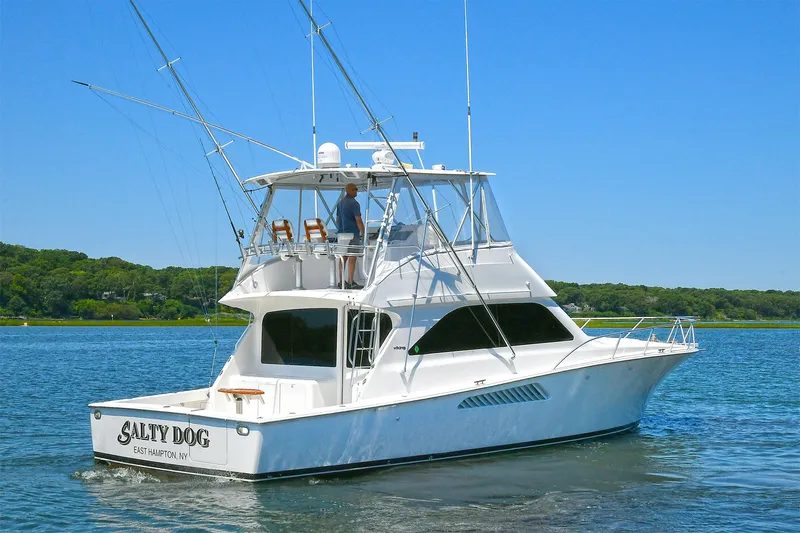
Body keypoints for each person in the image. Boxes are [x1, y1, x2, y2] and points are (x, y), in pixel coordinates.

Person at [336, 183, 365, 289]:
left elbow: (337, 220)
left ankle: (341, 282)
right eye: (354, 189)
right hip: (352, 234)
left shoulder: (340, 203)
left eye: (356, 189)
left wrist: (341, 229)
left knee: (343, 257)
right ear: (348, 191)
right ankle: (350, 281)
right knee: (352, 257)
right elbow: (358, 220)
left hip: (341, 234)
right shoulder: (354, 203)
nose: (356, 191)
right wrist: (363, 233)